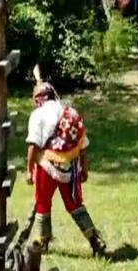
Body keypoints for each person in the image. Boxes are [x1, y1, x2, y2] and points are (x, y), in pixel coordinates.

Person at [25, 67, 107, 257]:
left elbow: (33, 146)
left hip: (47, 166)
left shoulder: (38, 115)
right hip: (70, 166)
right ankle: (95, 240)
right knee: (75, 204)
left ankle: (42, 241)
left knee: (43, 203)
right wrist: (84, 169)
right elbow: (83, 145)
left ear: (38, 99)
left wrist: (29, 171)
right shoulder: (70, 112)